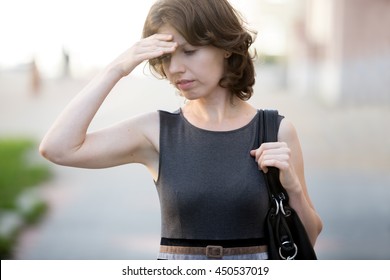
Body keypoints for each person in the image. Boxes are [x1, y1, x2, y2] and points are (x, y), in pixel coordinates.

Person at [39, 0, 322, 260]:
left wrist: (292, 188)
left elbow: (308, 237)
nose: (174, 68)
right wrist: (117, 68)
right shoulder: (156, 131)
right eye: (165, 57)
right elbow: (58, 148)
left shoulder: (275, 130)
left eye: (189, 51)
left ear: (225, 46)